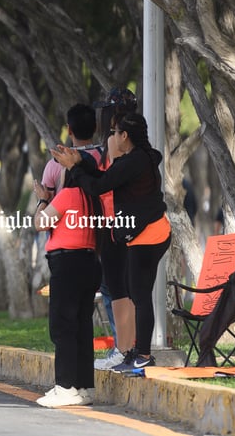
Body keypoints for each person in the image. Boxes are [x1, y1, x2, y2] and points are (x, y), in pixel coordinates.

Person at [52, 111, 172, 373]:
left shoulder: (135, 161)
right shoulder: (134, 159)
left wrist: (75, 167)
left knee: (139, 295)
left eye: (115, 132)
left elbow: (98, 187)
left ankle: (142, 355)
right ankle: (135, 353)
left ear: (124, 136)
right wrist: (80, 164)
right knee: (134, 290)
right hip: (142, 234)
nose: (112, 137)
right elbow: (102, 178)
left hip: (149, 235)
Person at [32, 161, 103, 407]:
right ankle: (84, 387)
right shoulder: (96, 198)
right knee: (83, 327)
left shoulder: (69, 195)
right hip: (90, 263)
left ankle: (64, 387)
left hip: (67, 263)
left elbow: (41, 223)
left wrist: (42, 200)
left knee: (62, 326)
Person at [90, 87, 138, 370]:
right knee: (127, 290)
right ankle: (129, 348)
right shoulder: (138, 142)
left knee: (113, 289)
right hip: (131, 224)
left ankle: (123, 349)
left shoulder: (114, 143)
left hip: (112, 224)